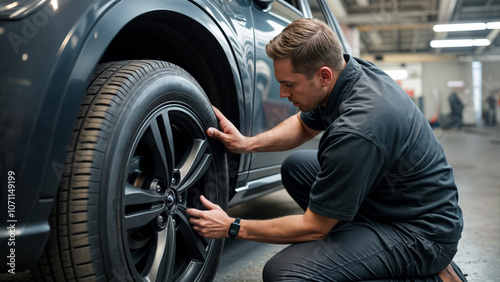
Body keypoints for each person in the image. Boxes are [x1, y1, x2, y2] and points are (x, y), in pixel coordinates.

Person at [187, 18, 466, 281]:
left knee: (284, 274)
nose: (283, 94)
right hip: (393, 200)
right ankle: (359, 245)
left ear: (323, 75)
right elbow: (304, 125)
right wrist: (248, 144)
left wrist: (232, 227)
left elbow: (314, 227)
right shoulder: (350, 74)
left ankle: (431, 274)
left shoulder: (358, 129)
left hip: (422, 234)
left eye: (289, 84)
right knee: (297, 167)